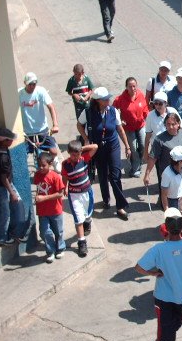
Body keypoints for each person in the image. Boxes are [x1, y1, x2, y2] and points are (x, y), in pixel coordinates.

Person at [136, 209, 182, 341]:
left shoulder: (158, 249)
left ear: (166, 229)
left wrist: (153, 273)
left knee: (166, 325)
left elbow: (138, 268)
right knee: (172, 324)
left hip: (162, 296)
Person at [77, 87, 130, 219]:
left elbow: (120, 129)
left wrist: (127, 146)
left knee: (115, 175)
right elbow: (79, 125)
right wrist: (86, 138)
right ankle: (106, 199)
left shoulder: (113, 111)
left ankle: (120, 206)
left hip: (112, 146)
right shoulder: (88, 112)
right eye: (106, 99)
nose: (108, 101)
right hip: (97, 147)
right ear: (98, 101)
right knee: (101, 175)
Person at [61, 140, 98, 258]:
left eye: (77, 154)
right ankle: (82, 242)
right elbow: (65, 177)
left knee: (87, 214)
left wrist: (81, 148)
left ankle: (88, 220)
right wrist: (64, 188)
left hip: (87, 192)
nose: (75, 157)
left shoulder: (84, 158)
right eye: (72, 154)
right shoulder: (65, 164)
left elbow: (95, 147)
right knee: (78, 219)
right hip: (74, 195)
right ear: (68, 153)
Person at [0, 128, 26, 246]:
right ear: (4, 141)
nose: (11, 142)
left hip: (3, 185)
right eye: (10, 140)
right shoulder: (3, 158)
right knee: (3, 213)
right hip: (2, 187)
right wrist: (12, 193)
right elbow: (3, 178)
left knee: (14, 208)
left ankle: (14, 233)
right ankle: (0, 238)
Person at [144, 112, 182, 195]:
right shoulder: (159, 139)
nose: (171, 127)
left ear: (178, 124)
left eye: (173, 124)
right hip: (169, 175)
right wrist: (147, 174)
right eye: (168, 124)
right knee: (168, 199)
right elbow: (153, 158)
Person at [113, 77, 149, 178]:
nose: (133, 88)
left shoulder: (140, 95)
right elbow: (113, 110)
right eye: (130, 86)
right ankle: (135, 169)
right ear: (126, 87)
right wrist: (119, 120)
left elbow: (145, 109)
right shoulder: (120, 99)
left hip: (140, 125)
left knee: (142, 146)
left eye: (134, 86)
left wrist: (148, 120)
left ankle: (136, 163)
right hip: (128, 128)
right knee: (133, 148)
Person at [19, 72, 60, 159]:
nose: (32, 86)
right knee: (22, 156)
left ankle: (53, 161)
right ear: (25, 83)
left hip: (42, 130)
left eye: (34, 84)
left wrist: (55, 125)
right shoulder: (19, 94)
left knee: (54, 152)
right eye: (30, 84)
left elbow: (51, 107)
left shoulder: (41, 91)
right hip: (27, 132)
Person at [34, 152, 66, 264]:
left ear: (50, 164)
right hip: (42, 211)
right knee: (45, 232)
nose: (41, 168)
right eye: (39, 165)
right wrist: (37, 198)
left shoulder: (56, 177)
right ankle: (50, 251)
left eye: (44, 165)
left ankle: (60, 248)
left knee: (58, 232)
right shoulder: (37, 175)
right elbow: (38, 189)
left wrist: (44, 198)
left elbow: (60, 194)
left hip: (55, 211)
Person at [143, 91, 180, 159]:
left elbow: (181, 128)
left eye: (160, 103)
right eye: (155, 103)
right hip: (158, 148)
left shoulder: (172, 111)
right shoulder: (150, 115)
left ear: (165, 103)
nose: (157, 106)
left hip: (174, 146)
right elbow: (148, 135)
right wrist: (145, 152)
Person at [160, 146, 182, 210]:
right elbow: (164, 195)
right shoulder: (167, 174)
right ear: (179, 162)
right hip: (173, 202)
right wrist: (167, 211)